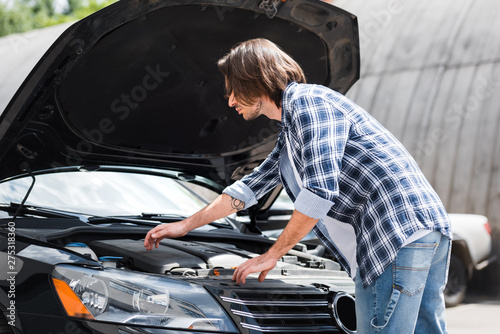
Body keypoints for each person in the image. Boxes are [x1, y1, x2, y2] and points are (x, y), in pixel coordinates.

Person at [144, 38, 452, 333]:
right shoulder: (292, 130)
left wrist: (273, 254)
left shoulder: (309, 103)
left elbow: (319, 191)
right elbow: (248, 189)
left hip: (395, 233)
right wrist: (185, 226)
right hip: (423, 230)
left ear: (255, 79)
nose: (231, 101)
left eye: (233, 90)